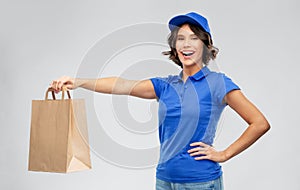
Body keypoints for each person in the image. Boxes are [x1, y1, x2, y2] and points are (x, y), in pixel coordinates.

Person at [50, 12, 270, 190]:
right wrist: (78, 81)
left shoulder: (218, 83)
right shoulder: (166, 86)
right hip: (164, 180)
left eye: (194, 38)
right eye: (180, 38)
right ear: (174, 47)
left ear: (205, 44)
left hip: (201, 182)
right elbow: (121, 85)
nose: (186, 44)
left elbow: (259, 123)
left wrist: (224, 154)